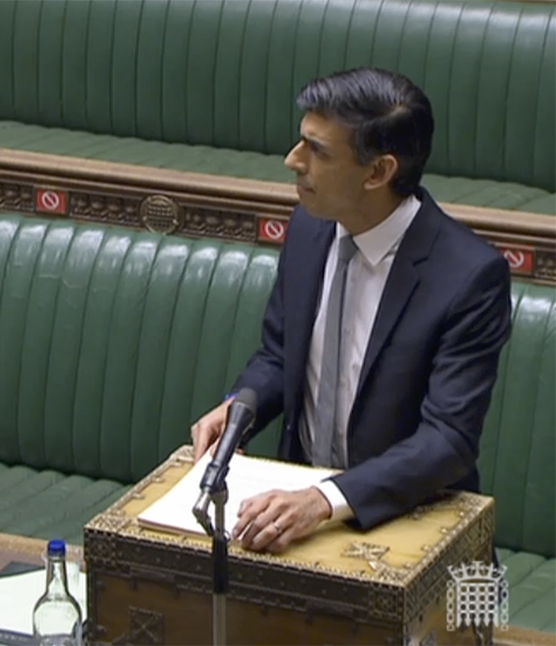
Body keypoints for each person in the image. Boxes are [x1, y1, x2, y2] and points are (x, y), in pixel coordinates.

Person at [190, 68, 512, 554]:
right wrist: (243, 407)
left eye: (316, 151)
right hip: (295, 518)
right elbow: (279, 354)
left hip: (409, 519)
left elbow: (448, 440)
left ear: (378, 171)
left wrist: (324, 500)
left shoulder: (468, 277)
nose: (292, 161)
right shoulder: (310, 225)